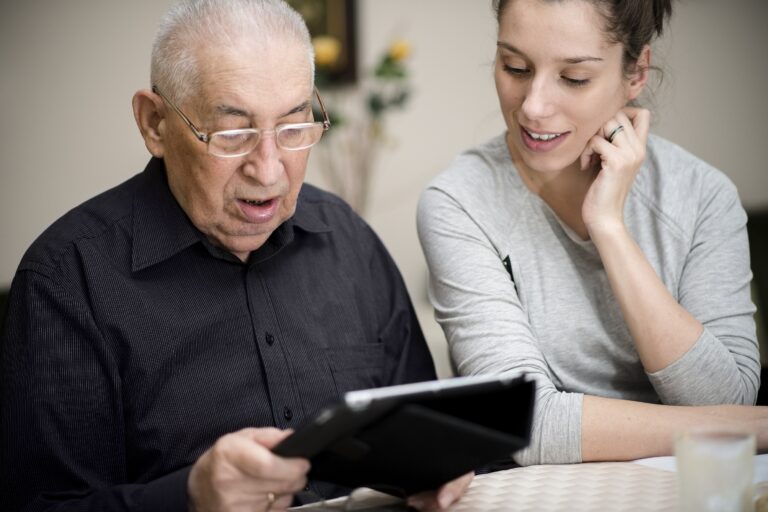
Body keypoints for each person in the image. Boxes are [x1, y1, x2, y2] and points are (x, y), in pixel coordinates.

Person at [0, 1, 472, 510]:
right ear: (155, 123)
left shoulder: (349, 242)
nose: (269, 172)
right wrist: (189, 497)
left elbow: (425, 438)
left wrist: (435, 467)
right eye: (233, 134)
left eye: (293, 128)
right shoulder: (68, 280)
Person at [417, 0, 767, 466]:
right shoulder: (459, 202)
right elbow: (517, 421)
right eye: (515, 67)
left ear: (636, 74)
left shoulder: (702, 196)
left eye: (574, 77)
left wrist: (609, 228)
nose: (534, 106)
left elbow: (728, 395)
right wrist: (738, 427)